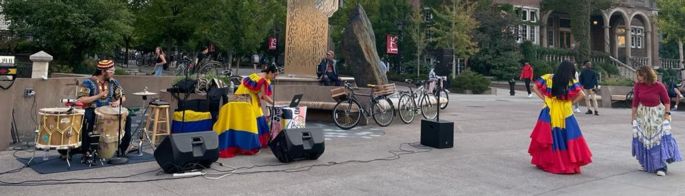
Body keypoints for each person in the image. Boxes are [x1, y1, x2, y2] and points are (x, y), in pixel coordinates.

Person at [529, 61, 592, 174]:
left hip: (549, 109)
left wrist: (544, 98)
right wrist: (571, 102)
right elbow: (582, 94)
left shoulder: (548, 77)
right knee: (568, 135)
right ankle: (567, 162)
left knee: (548, 136)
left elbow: (534, 87)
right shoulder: (571, 81)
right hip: (565, 111)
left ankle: (547, 161)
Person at [215, 65, 278, 158]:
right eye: (274, 75)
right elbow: (264, 96)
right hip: (247, 101)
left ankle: (246, 142)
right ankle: (251, 145)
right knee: (255, 119)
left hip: (239, 99)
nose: (275, 77)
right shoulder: (263, 80)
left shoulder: (256, 75)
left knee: (255, 118)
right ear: (270, 73)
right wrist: (275, 103)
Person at [631, 66, 682, 176]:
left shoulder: (659, 85)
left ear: (647, 75)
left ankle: (661, 167)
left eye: (640, 76)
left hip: (657, 114)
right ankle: (647, 164)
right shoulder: (638, 85)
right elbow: (635, 101)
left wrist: (667, 114)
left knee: (658, 140)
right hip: (643, 114)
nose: (638, 78)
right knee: (645, 140)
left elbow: (667, 101)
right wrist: (633, 116)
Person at [77, 60, 132, 159]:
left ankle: (122, 148)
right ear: (103, 72)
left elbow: (123, 97)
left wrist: (117, 102)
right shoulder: (88, 82)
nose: (113, 72)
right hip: (93, 110)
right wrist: (99, 95)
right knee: (88, 117)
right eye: (111, 70)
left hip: (109, 110)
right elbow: (81, 99)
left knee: (128, 117)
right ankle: (86, 149)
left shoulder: (113, 82)